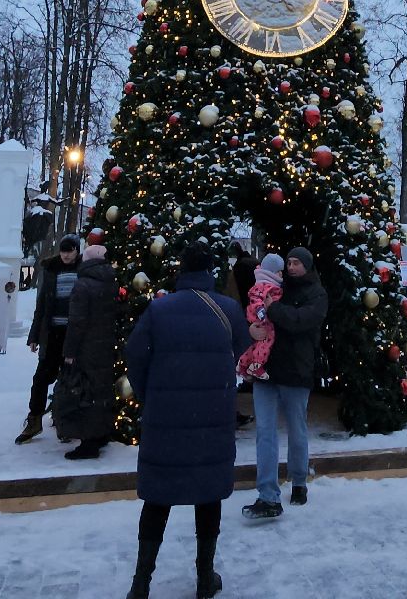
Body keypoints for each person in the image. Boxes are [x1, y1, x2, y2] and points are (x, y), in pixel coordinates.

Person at [124, 246, 250, 599]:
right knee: (208, 495)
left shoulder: (159, 309)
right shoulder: (227, 308)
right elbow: (241, 347)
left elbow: (134, 352)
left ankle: (141, 583)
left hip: (166, 417)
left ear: (181, 269)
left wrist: (149, 391)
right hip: (212, 415)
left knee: (158, 498)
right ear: (211, 271)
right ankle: (204, 577)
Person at [243, 247, 328, 520]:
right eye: (288, 263)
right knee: (265, 432)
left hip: (296, 371)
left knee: (296, 429)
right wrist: (252, 328)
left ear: (307, 265)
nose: (291, 268)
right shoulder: (275, 288)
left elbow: (300, 320)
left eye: (296, 263)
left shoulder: (316, 294)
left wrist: (274, 310)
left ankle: (299, 481)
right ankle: (267, 495)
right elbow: (259, 316)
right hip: (266, 372)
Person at [17, 235, 81, 444]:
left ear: (77, 251)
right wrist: (34, 335)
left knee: (69, 380)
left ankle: (64, 421)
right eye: (63, 251)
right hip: (52, 332)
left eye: (69, 251)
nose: (65, 255)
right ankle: (34, 419)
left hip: (73, 334)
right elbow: (42, 304)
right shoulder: (51, 269)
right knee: (41, 377)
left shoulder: (84, 269)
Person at [58, 243, 118, 460]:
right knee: (101, 390)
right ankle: (101, 433)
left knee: (85, 393)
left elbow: (77, 322)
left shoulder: (82, 285)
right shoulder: (111, 281)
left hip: (86, 348)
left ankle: (88, 442)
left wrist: (69, 352)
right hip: (105, 345)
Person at [236, 253, 285, 381]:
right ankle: (256, 365)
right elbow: (257, 301)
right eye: (279, 271)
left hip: (262, 318)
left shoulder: (268, 285)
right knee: (266, 342)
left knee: (256, 345)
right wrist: (262, 314)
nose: (281, 274)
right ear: (272, 272)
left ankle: (243, 363)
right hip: (263, 319)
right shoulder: (264, 286)